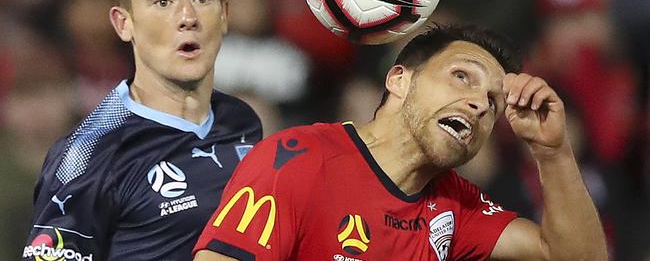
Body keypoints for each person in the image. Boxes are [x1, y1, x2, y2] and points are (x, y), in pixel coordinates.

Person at [193, 25, 607, 260]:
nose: (480, 103)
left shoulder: (456, 207)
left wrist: (552, 152)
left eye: (494, 102)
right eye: (462, 76)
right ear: (399, 79)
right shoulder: (299, 160)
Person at [23, 0, 263, 260]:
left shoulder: (241, 122)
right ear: (124, 22)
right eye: (163, 1)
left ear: (224, 15)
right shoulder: (86, 156)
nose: (187, 16)